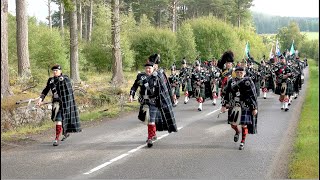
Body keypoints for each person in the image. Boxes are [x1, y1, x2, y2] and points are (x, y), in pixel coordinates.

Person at [129, 54, 178, 148]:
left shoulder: (157, 77)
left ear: (153, 69)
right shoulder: (140, 77)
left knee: (151, 121)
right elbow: (134, 86)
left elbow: (164, 89)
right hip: (144, 102)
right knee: (148, 121)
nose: (148, 70)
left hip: (154, 103)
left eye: (150, 68)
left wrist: (167, 100)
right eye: (146, 68)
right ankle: (153, 134)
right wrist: (131, 94)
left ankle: (150, 138)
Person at [36, 64, 81, 146]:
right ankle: (60, 136)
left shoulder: (65, 79)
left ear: (60, 71)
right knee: (58, 120)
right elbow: (46, 90)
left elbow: (68, 91)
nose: (55, 72)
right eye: (53, 71)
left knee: (63, 119)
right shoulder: (51, 80)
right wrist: (40, 99)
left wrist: (62, 81)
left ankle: (61, 135)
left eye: (56, 70)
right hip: (57, 104)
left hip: (65, 103)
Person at [220, 66, 258, 150]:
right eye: (237, 72)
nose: (239, 74)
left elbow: (252, 95)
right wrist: (223, 105)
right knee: (233, 124)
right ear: (235, 73)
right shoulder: (231, 81)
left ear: (244, 73)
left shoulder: (248, 81)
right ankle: (237, 131)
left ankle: (242, 141)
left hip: (245, 106)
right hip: (234, 105)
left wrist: (254, 108)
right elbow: (226, 94)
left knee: (244, 124)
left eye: (241, 72)